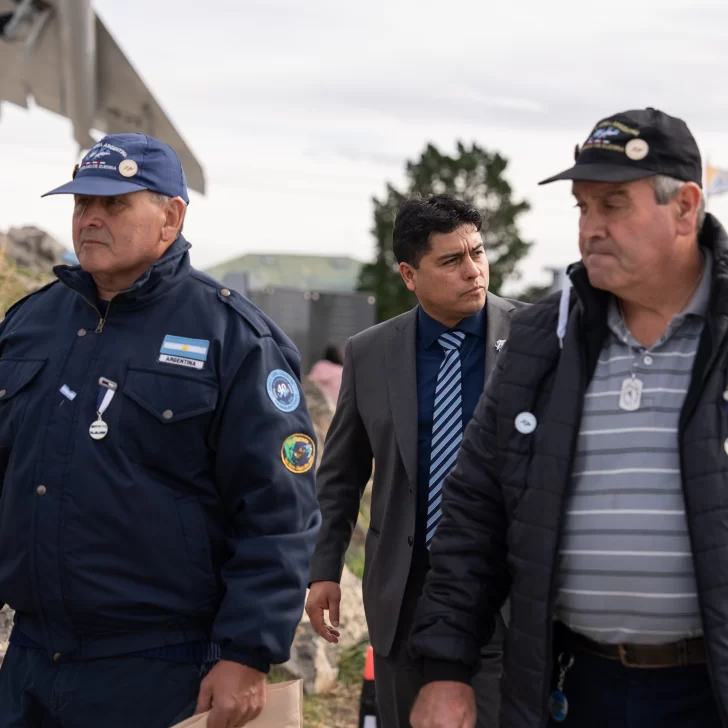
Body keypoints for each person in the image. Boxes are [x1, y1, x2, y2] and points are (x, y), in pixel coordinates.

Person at [408, 108, 728, 728]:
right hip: (577, 689)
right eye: (583, 208)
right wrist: (446, 669)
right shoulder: (540, 342)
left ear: (686, 208)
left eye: (614, 205)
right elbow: (476, 514)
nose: (591, 229)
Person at [0, 133, 321, 728]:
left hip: (160, 666)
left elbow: (278, 509)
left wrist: (248, 652)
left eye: (115, 204)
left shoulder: (233, 339)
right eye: (80, 203)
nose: (90, 218)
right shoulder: (29, 324)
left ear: (170, 217)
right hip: (31, 661)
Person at [305, 194, 526, 728]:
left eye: (477, 252)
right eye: (451, 261)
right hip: (405, 592)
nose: (473, 271)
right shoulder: (370, 352)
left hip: (506, 592)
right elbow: (341, 475)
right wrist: (324, 570)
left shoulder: (533, 339)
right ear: (409, 274)